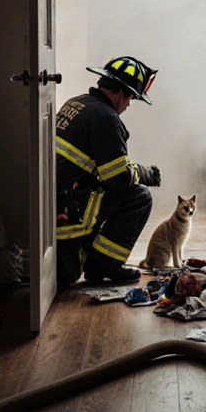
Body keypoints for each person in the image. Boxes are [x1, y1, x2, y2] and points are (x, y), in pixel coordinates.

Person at [55, 56, 162, 286]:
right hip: (69, 215)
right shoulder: (106, 118)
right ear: (121, 92)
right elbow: (118, 179)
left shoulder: (76, 103)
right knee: (140, 196)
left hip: (55, 208)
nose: (129, 104)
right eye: (131, 97)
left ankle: (93, 258)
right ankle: (104, 264)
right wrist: (145, 173)